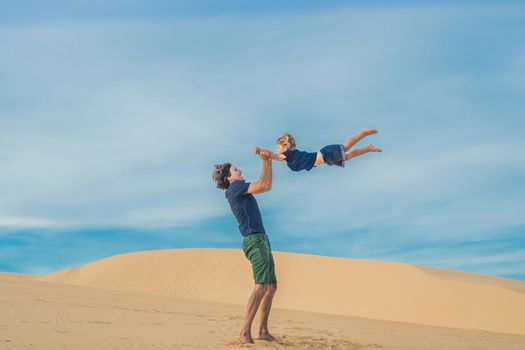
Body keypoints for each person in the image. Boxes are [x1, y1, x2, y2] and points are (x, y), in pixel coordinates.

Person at [212, 148, 277, 344]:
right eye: (236, 170)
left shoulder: (240, 190)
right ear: (230, 178)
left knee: (271, 286)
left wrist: (268, 161)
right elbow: (264, 184)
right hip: (254, 241)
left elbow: (266, 186)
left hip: (261, 239)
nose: (240, 171)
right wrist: (265, 160)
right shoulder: (235, 189)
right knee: (261, 286)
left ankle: (263, 330)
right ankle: (244, 332)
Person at [253, 128, 381, 172]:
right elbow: (275, 158)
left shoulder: (286, 154)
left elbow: (274, 156)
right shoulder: (288, 159)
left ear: (285, 147)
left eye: (278, 147)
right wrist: (268, 157)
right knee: (347, 156)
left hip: (324, 154)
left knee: (346, 148)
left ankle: (362, 133)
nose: (277, 150)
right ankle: (368, 148)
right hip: (325, 158)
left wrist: (260, 151)